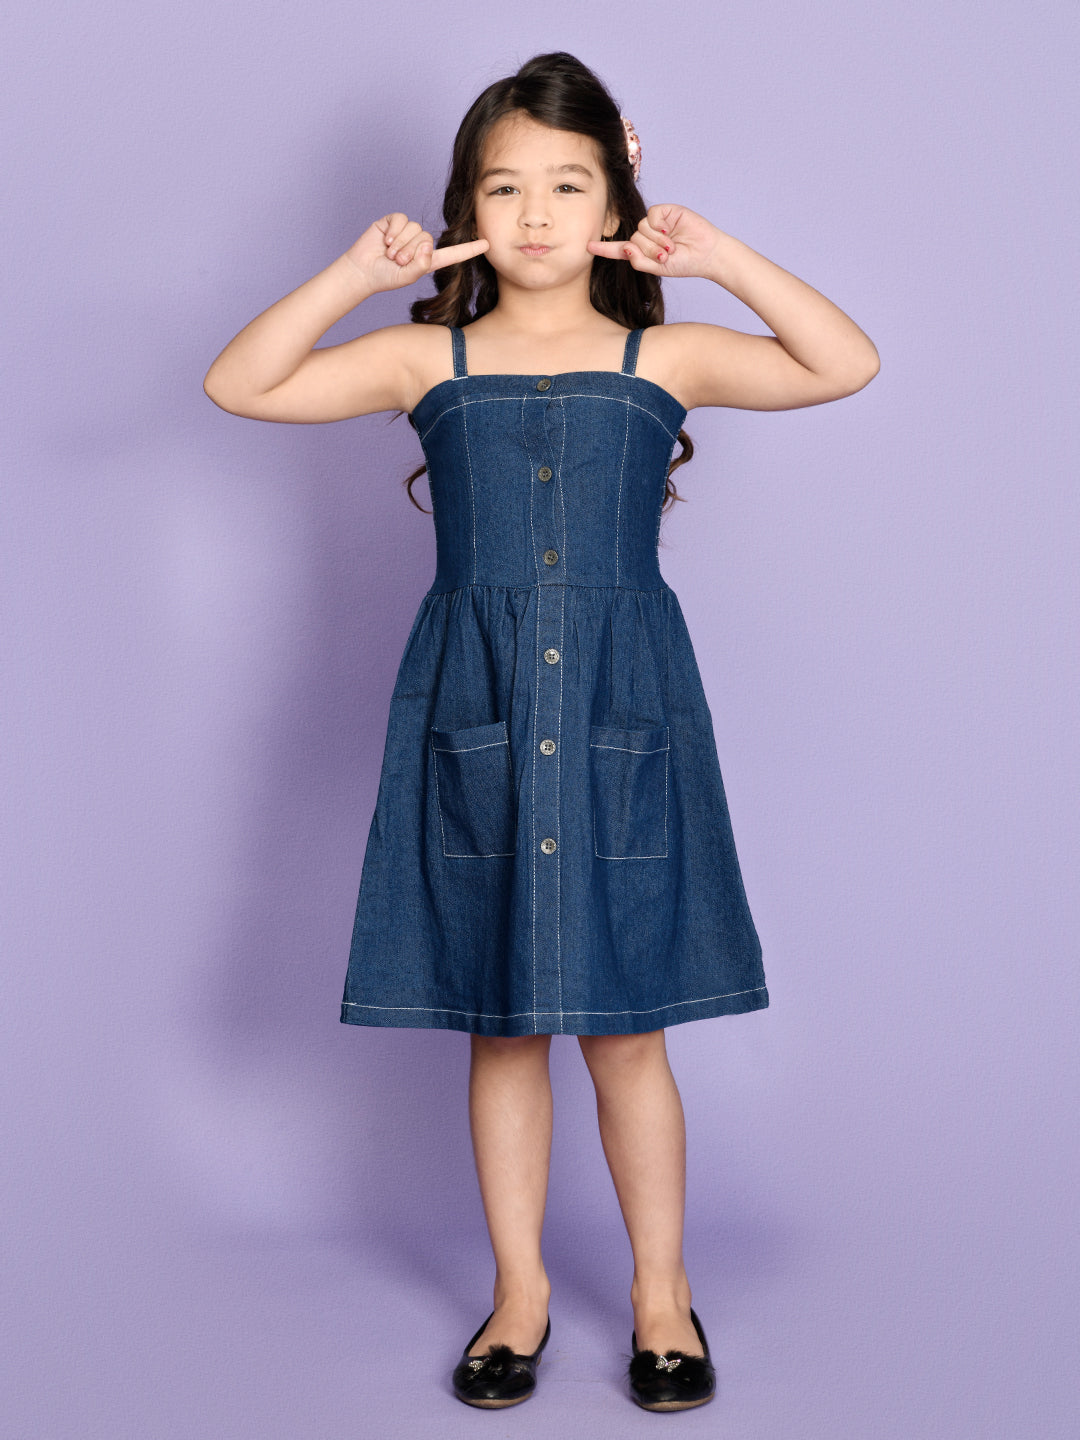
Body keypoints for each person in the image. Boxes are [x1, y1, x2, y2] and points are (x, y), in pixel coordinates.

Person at [203, 49, 879, 1413]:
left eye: (569, 185)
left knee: (628, 1034)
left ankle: (660, 1296)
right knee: (504, 1030)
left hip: (627, 715)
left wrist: (718, 254)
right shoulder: (426, 357)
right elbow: (242, 383)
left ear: (616, 202)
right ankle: (519, 1295)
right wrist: (355, 272)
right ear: (465, 204)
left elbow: (844, 361)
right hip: (481, 715)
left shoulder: (661, 353)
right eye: (503, 186)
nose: (534, 214)